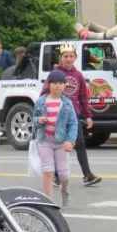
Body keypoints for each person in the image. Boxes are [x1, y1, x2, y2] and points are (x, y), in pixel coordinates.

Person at [41, 42, 102, 187]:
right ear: (60, 58)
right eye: (66, 56)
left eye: (71, 56)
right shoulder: (55, 75)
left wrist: (87, 116)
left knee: (79, 144)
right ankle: (55, 175)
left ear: (75, 57)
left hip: (72, 116)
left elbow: (83, 97)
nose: (69, 59)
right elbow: (43, 94)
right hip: (56, 115)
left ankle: (87, 175)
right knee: (58, 144)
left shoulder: (78, 75)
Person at [33, 70, 78, 206]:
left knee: (64, 175)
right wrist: (38, 120)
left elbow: (73, 123)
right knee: (48, 171)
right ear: (49, 84)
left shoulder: (67, 103)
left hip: (61, 143)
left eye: (60, 83)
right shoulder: (41, 101)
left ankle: (64, 189)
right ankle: (49, 202)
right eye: (54, 83)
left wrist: (70, 141)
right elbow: (33, 118)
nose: (57, 86)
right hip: (44, 140)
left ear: (65, 85)